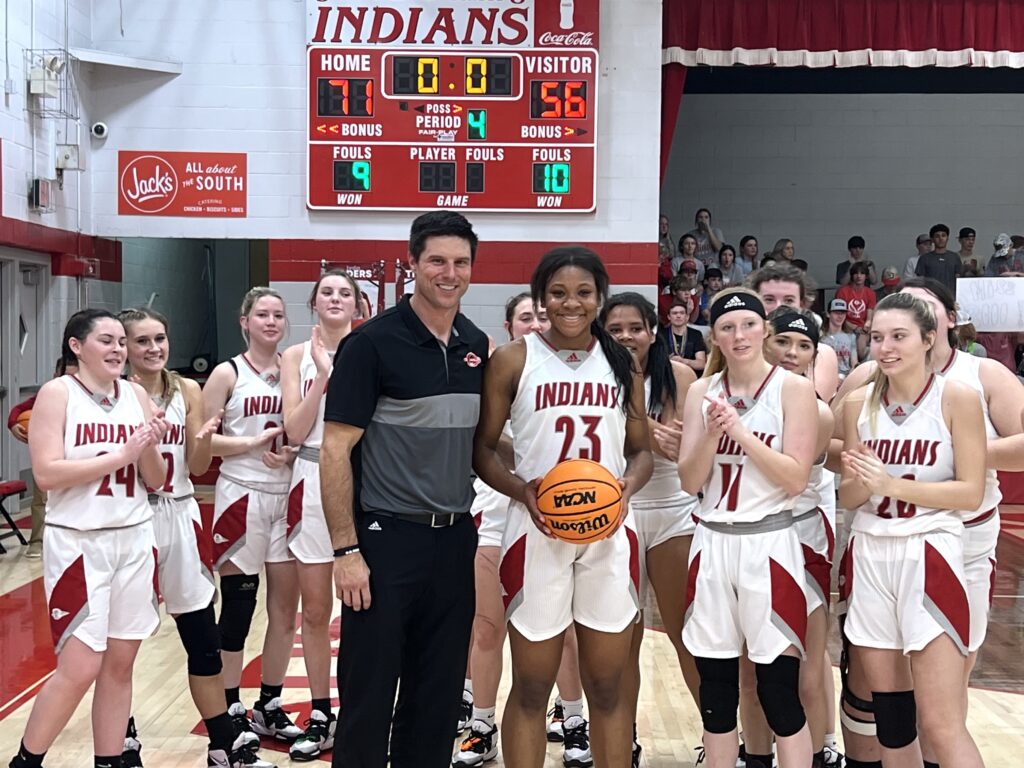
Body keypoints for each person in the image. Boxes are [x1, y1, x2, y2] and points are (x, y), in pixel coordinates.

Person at [474, 246, 653, 768]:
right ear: (540, 298)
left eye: (583, 293)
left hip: (610, 531)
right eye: (557, 293)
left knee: (608, 684)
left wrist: (626, 489)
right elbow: (482, 448)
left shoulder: (622, 361)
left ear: (600, 298)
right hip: (536, 532)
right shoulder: (513, 359)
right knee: (531, 685)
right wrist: (520, 491)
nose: (570, 304)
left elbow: (640, 450)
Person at [321, 211, 488, 768]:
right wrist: (346, 552)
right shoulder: (370, 344)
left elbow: (476, 443)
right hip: (384, 538)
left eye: (460, 262)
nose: (449, 272)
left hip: (453, 538)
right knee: (369, 692)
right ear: (413, 263)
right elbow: (334, 451)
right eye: (437, 260)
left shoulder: (474, 342)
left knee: (437, 694)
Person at [7, 310, 167, 768]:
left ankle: (109, 760)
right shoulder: (57, 394)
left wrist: (149, 444)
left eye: (122, 341)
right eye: (107, 340)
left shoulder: (135, 393)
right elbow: (47, 474)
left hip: (133, 537)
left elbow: (154, 478)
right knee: (80, 667)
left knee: (119, 665)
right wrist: (120, 454)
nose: (118, 349)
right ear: (76, 347)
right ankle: (26, 761)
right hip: (79, 542)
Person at [838, 291, 987, 768]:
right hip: (871, 551)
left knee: (941, 724)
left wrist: (890, 484)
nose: (885, 347)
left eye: (899, 336)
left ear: (929, 339)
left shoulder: (958, 398)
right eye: (876, 337)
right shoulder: (859, 404)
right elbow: (848, 497)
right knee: (892, 720)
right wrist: (863, 483)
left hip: (930, 552)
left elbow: (969, 493)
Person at [116, 308, 267, 768]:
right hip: (131, 518)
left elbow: (199, 465)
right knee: (123, 643)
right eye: (141, 341)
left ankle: (223, 742)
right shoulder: (116, 394)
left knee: (201, 636)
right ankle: (120, 737)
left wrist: (204, 436)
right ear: (124, 348)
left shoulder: (187, 389)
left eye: (159, 338)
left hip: (180, 513)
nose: (154, 348)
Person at [677, 288, 817, 768]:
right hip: (712, 542)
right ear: (714, 335)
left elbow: (796, 478)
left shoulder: (793, 389)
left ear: (765, 329)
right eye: (727, 327)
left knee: (778, 693)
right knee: (716, 697)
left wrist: (739, 434)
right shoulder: (701, 390)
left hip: (769, 544)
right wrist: (712, 435)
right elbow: (690, 480)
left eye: (749, 325)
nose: (739, 336)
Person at [455, 294, 592, 768]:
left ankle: (573, 718)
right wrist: (535, 459)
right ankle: (482, 724)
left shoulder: (579, 372)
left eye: (540, 314)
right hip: (497, 509)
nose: (535, 322)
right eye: (525, 316)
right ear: (510, 325)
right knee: (487, 627)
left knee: (566, 631)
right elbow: (483, 442)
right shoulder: (497, 371)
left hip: (566, 511)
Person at [736, 305, 838, 768]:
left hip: (801, 539)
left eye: (804, 347)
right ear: (763, 339)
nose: (793, 353)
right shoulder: (726, 394)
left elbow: (782, 476)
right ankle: (756, 756)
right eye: (784, 342)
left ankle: (815, 756)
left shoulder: (813, 409)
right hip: (741, 538)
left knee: (806, 672)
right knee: (749, 670)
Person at [601, 292, 699, 767]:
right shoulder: (595, 377)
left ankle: (719, 738)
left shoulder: (680, 376)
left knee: (686, 634)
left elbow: (683, 453)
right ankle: (625, 743)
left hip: (673, 509)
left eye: (634, 328)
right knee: (624, 639)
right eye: (615, 329)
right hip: (616, 513)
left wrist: (659, 440)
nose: (625, 337)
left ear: (653, 331)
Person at [203, 287, 302, 745]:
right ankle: (230, 706)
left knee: (285, 609)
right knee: (239, 607)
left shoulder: (294, 370)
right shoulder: (227, 373)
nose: (270, 321)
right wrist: (246, 444)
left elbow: (307, 428)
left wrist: (294, 451)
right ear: (244, 321)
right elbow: (201, 444)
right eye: (261, 314)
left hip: (286, 495)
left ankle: (270, 701)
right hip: (241, 494)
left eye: (278, 315)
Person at [280, 270, 361, 761]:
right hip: (310, 477)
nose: (335, 299)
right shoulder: (294, 356)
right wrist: (325, 376)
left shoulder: (371, 346)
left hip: (362, 478)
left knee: (363, 607)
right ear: (314, 303)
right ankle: (321, 711)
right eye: (327, 292)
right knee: (314, 610)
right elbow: (293, 429)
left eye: (345, 293)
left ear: (358, 306)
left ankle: (361, 709)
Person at [5, 359, 76, 559]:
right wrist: (12, 424)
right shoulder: (47, 395)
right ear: (55, 376)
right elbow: (18, 410)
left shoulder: (89, 397)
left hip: (78, 455)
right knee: (41, 499)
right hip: (49, 455)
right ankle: (37, 541)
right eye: (64, 377)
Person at [748, 263, 840, 401]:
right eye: (769, 300)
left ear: (802, 305)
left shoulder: (823, 353)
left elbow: (815, 409)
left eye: (789, 300)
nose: (779, 307)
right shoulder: (738, 348)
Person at [662, 298, 707, 375]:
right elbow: (655, 361)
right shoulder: (661, 334)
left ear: (687, 317)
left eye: (682, 313)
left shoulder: (696, 334)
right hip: (667, 375)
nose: (678, 316)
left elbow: (701, 364)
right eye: (674, 313)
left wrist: (682, 361)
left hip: (690, 376)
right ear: (669, 317)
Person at [915, 223, 962, 292]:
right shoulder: (924, 258)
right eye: (937, 236)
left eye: (943, 235)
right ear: (932, 239)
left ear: (947, 238)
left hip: (950, 298)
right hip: (931, 298)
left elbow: (958, 279)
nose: (941, 238)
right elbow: (920, 281)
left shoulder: (954, 257)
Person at [821, 299, 859, 381]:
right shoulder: (821, 337)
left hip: (846, 378)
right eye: (836, 313)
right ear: (828, 314)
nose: (840, 316)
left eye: (843, 313)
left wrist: (848, 380)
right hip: (826, 377)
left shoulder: (851, 337)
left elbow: (854, 364)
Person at [835, 262, 876, 330]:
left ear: (866, 276)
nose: (859, 276)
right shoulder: (842, 292)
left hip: (863, 328)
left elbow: (869, 318)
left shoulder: (870, 293)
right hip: (845, 327)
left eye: (862, 273)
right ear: (852, 275)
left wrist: (865, 328)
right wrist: (855, 328)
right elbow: (839, 316)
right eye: (856, 273)